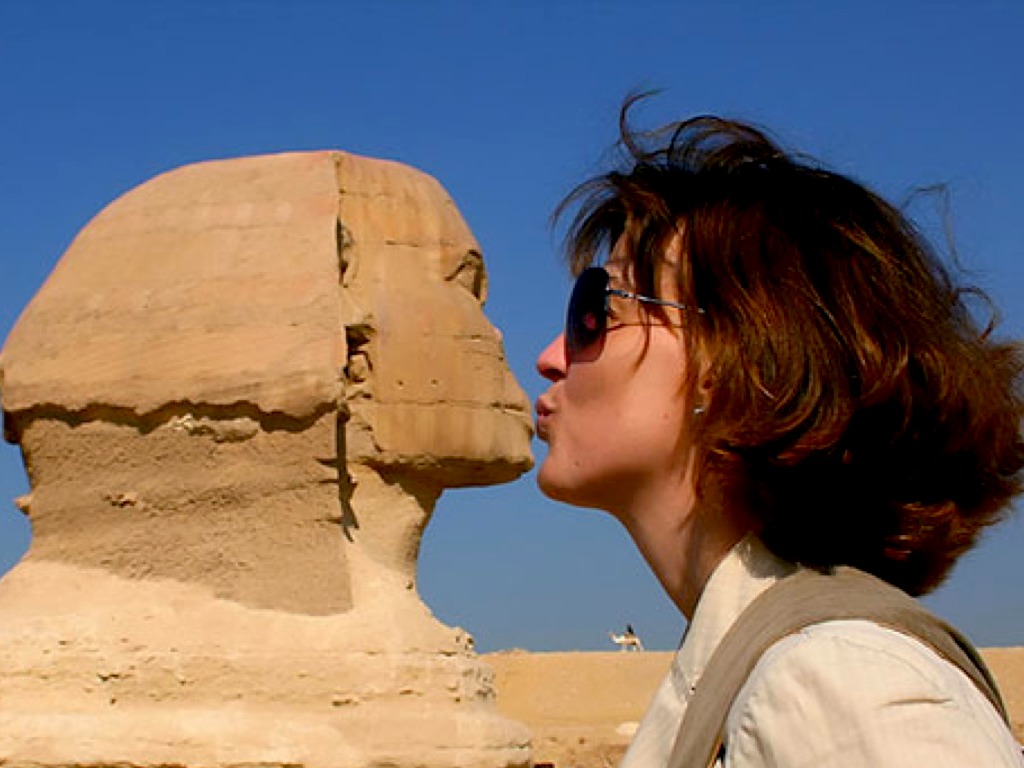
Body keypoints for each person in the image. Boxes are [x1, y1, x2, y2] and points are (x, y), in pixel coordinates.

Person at [534, 98, 1024, 767]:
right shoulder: (766, 669)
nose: (551, 356)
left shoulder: (837, 683)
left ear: (727, 364)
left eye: (597, 309)